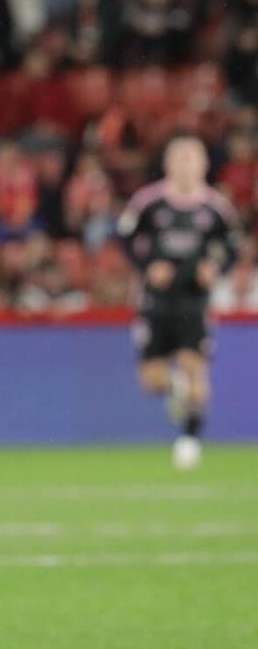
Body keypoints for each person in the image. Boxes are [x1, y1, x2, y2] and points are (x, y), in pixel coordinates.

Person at [116, 136, 242, 471]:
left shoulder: (215, 208)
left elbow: (232, 247)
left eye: (193, 158)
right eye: (180, 158)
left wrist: (215, 268)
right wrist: (146, 268)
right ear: (169, 164)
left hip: (194, 302)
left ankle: (189, 440)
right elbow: (126, 237)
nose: (186, 164)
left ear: (203, 165)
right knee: (151, 381)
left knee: (194, 366)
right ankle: (174, 387)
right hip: (156, 302)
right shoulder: (149, 203)